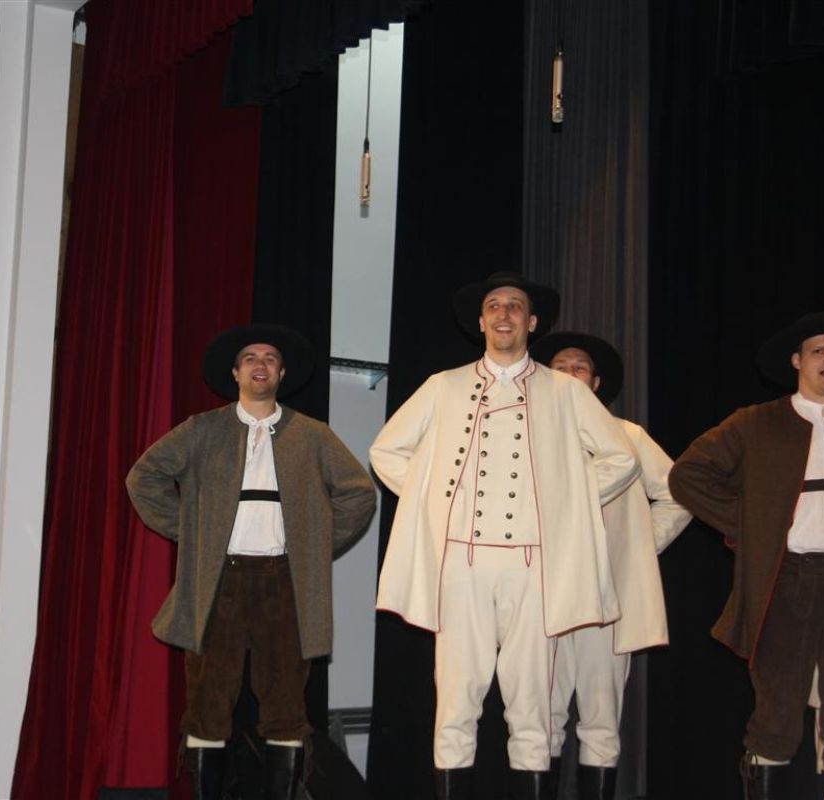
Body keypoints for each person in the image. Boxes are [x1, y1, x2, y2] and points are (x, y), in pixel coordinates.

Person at [369, 272, 640, 800]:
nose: (503, 314)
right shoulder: (443, 386)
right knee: (455, 705)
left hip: (534, 568)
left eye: (515, 306)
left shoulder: (566, 391)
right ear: (480, 322)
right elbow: (386, 451)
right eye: (494, 306)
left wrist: (568, 505)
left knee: (532, 709)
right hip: (460, 565)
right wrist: (431, 503)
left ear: (531, 322)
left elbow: (620, 458)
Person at [125, 323, 376, 800]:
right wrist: (192, 532)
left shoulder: (313, 435)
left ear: (281, 374)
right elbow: (144, 477)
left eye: (270, 359)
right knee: (207, 702)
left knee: (286, 705)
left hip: (284, 584)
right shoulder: (203, 430)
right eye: (250, 358)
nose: (260, 365)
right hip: (218, 583)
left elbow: (359, 494)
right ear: (236, 373)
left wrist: (314, 545)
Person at [668, 312, 824, 800]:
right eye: (818, 351)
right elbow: (687, 476)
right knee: (777, 714)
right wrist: (752, 525)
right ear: (797, 361)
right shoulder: (756, 422)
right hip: (786, 581)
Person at [531, 332, 691, 800]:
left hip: (607, 596)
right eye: (560, 366)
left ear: (596, 382)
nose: (569, 374)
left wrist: (638, 548)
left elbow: (679, 494)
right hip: (541, 594)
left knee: (601, 720)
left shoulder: (628, 436)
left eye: (579, 367)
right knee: (539, 720)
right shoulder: (525, 440)